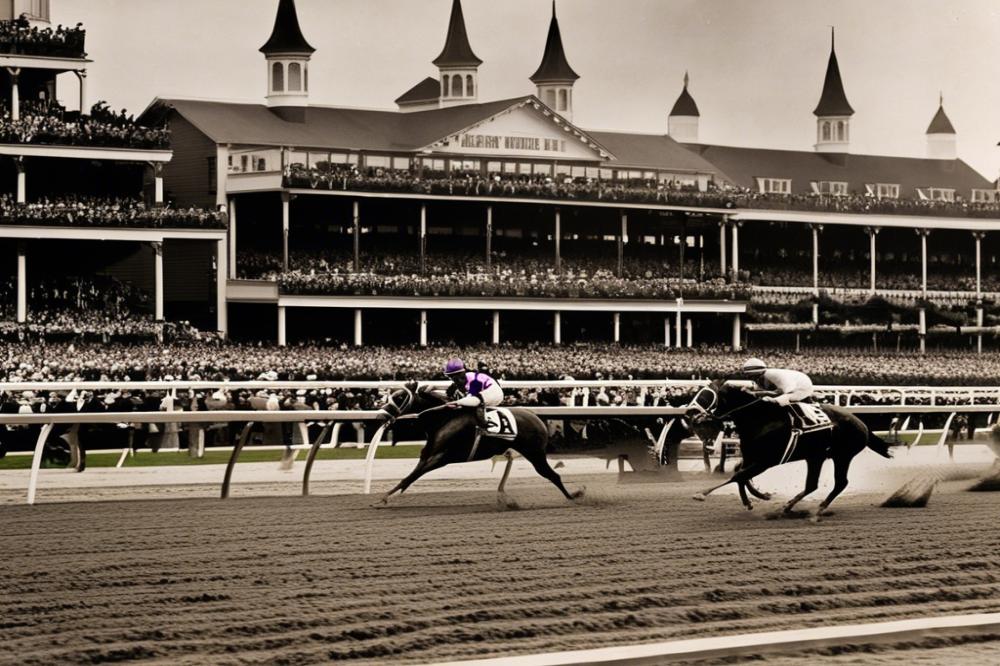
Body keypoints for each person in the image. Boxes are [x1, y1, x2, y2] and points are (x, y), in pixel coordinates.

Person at [740, 358, 814, 406]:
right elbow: (761, 389)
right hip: (791, 387)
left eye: (750, 376)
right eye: (748, 377)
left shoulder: (774, 375)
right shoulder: (762, 376)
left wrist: (753, 393)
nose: (750, 379)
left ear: (759, 373)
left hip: (801, 388)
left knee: (769, 400)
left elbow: (781, 392)